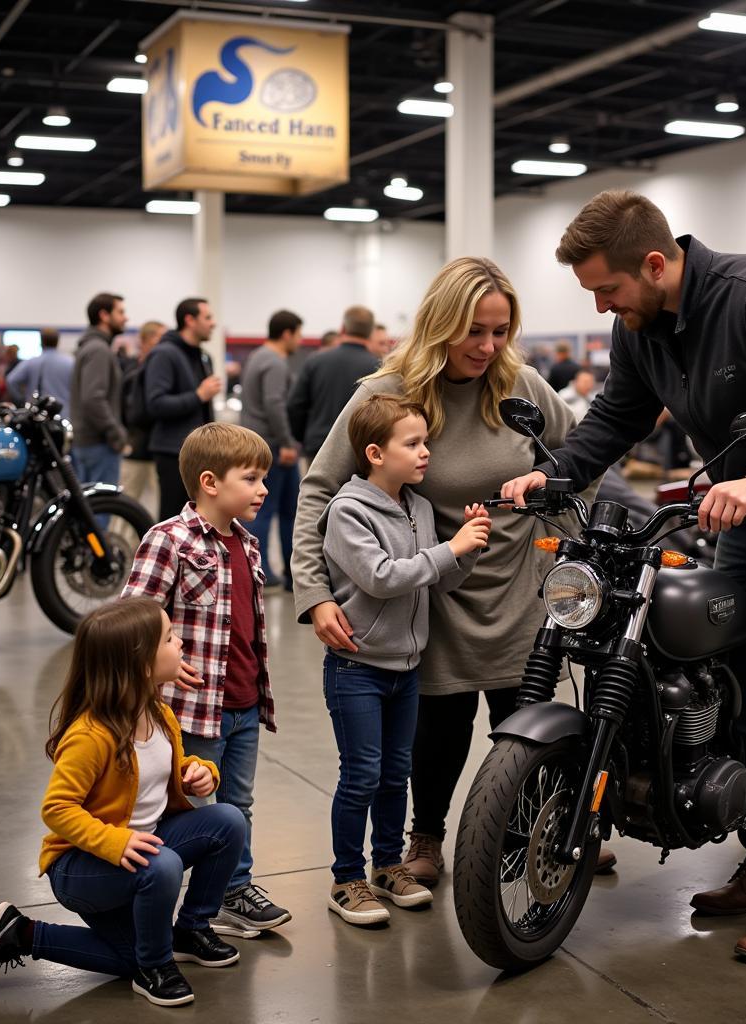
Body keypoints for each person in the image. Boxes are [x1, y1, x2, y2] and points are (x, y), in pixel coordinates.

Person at [502, 189, 746, 963]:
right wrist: (555, 477)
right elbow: (618, 415)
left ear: (655, 264)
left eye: (607, 290)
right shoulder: (642, 328)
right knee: (728, 677)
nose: (602, 305)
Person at [292, 258, 612, 889]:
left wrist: (563, 541)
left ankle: (549, 832)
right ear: (440, 324)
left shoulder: (519, 384)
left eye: (500, 331)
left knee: (528, 728)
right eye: (475, 332)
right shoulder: (388, 395)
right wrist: (314, 593)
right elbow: (320, 491)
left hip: (522, 598)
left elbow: (584, 459)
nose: (488, 347)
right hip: (432, 596)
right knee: (437, 735)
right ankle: (427, 837)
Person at [0, 598, 246, 1007]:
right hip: (83, 866)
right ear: (141, 664)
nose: (180, 642)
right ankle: (136, 963)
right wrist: (115, 843)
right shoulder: (90, 735)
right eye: (169, 638)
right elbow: (57, 809)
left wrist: (198, 770)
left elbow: (161, 768)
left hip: (141, 848)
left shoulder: (158, 713)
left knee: (228, 820)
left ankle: (191, 929)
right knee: (147, 912)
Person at [320, 394, 491, 925]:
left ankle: (387, 866)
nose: (425, 454)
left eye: (426, 443)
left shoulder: (416, 506)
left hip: (407, 669)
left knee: (397, 774)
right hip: (358, 668)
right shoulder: (347, 511)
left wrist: (470, 548)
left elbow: (438, 577)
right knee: (362, 776)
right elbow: (383, 577)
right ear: (374, 452)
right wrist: (451, 547)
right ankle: (346, 877)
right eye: (412, 444)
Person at [122, 422, 292, 939]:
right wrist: (157, 665)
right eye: (251, 478)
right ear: (210, 482)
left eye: (264, 478)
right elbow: (132, 619)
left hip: (243, 702)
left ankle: (230, 893)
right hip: (193, 708)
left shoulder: (248, 543)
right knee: (196, 806)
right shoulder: (169, 540)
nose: (263, 488)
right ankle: (170, 901)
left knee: (238, 806)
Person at [240, 309, 303, 587]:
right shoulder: (275, 363)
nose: (300, 341)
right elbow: (274, 404)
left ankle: (276, 570)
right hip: (274, 447)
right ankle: (264, 569)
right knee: (272, 510)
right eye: (298, 334)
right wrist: (287, 442)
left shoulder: (256, 356)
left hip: (258, 442)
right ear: (287, 333)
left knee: (270, 509)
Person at [146, 298, 222, 522]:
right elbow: (156, 404)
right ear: (189, 320)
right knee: (173, 518)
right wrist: (198, 395)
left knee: (198, 519)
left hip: (199, 452)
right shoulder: (165, 354)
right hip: (172, 452)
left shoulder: (201, 355)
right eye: (207, 317)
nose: (213, 323)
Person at [287, 305, 380, 464]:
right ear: (371, 332)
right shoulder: (379, 368)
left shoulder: (315, 361)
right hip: (359, 451)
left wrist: (306, 437)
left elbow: (295, 406)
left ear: (342, 328)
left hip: (318, 447)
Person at [69, 292, 128, 486]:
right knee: (100, 511)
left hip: (89, 443)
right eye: (120, 312)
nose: (125, 318)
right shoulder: (99, 350)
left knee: (89, 509)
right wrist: (116, 434)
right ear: (104, 315)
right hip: (99, 444)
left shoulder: (92, 347)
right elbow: (93, 398)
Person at [121, 320, 165, 514]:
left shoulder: (162, 370)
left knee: (163, 506)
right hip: (138, 449)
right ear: (146, 340)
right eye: (160, 337)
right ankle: (119, 545)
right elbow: (130, 413)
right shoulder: (134, 371)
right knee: (127, 505)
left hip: (159, 451)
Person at [6, 329, 74, 411]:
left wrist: (21, 401)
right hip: (64, 412)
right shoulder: (70, 362)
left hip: (37, 414)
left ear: (41, 342)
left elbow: (11, 380)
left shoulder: (31, 362)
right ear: (57, 342)